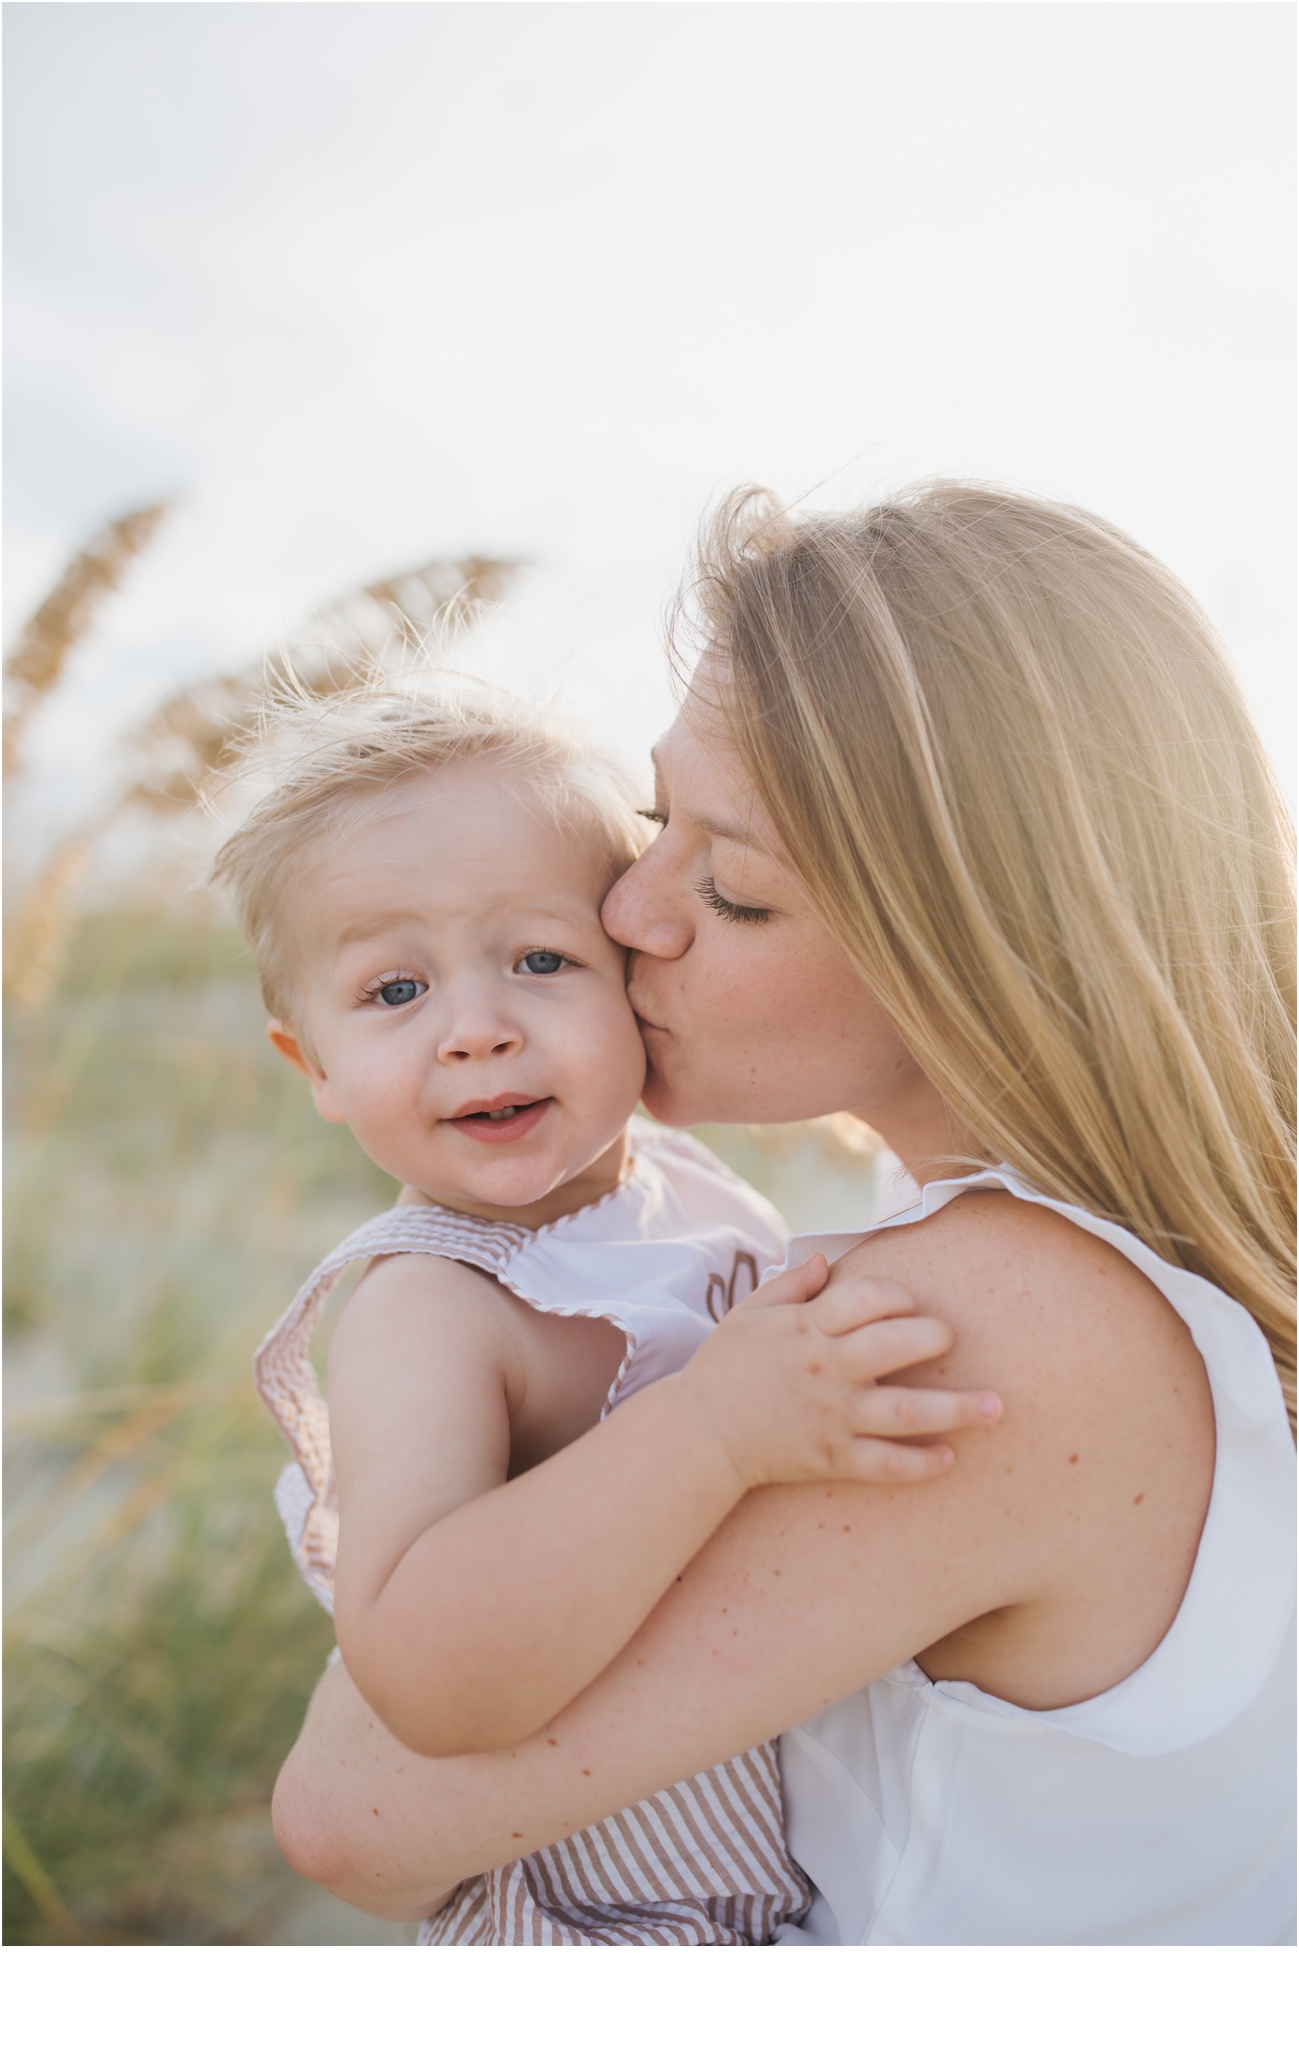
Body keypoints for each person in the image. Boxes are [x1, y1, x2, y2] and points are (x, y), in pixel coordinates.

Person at [270, 484, 1296, 1945]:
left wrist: (503, 1399)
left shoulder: (992, 1320)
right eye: (653, 817)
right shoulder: (1051, 1235)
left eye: (732, 890)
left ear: (973, 951)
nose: (628, 911)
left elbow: (352, 1818)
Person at [214, 682, 999, 1944]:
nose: (476, 1030)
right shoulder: (435, 1307)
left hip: (776, 1882)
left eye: (540, 960)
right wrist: (713, 1431)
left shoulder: (683, 1185)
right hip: (601, 1916)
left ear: (631, 973)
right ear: (310, 1064)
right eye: (393, 990)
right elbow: (423, 1670)